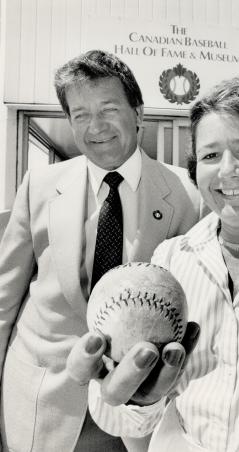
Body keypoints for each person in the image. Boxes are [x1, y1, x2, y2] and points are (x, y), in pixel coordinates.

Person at [68, 77, 239, 452]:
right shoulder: (168, 263)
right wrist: (136, 399)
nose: (228, 170)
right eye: (210, 156)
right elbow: (125, 423)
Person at [0, 50, 206, 452]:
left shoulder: (190, 196)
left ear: (138, 113)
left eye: (109, 109)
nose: (95, 127)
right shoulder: (39, 186)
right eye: (79, 115)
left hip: (135, 410)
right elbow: (3, 303)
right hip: (41, 403)